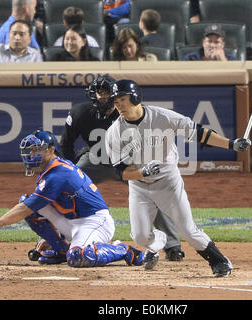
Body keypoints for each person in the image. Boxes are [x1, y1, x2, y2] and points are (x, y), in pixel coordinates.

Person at [105, 79, 251, 276]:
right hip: (139, 187)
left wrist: (231, 144)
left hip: (168, 183)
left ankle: (220, 261)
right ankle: (158, 240)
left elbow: (198, 133)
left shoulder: (162, 117)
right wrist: (143, 173)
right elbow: (120, 172)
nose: (119, 105)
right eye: (115, 101)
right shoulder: (114, 132)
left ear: (135, 97)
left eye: (122, 99)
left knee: (188, 230)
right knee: (139, 237)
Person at [59, 74, 185, 261]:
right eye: (98, 92)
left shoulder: (130, 111)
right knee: (66, 189)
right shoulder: (79, 113)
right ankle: (55, 243)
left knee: (154, 196)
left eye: (106, 92)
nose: (102, 96)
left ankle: (172, 246)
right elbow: (66, 144)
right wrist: (70, 172)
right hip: (95, 160)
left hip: (129, 163)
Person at [0, 129, 144, 268]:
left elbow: (26, 208)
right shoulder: (52, 169)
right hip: (72, 222)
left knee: (78, 256)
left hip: (95, 222)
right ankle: (62, 250)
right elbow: (31, 206)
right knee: (26, 201)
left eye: (37, 150)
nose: (32, 154)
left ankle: (123, 250)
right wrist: (48, 238)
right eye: (31, 151)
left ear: (51, 150)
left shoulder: (58, 174)